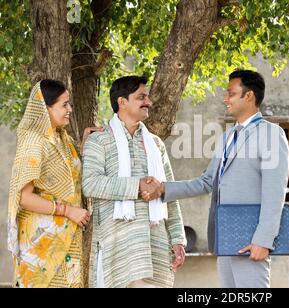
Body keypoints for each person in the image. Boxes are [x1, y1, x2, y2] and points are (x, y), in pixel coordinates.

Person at [146, 70, 289, 288]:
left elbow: (275, 193)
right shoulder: (228, 136)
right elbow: (207, 181)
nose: (225, 99)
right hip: (225, 237)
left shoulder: (270, 134)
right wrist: (163, 188)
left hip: (252, 239)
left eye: (231, 94)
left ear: (249, 96)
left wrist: (263, 240)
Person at [82, 76, 186, 288]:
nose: (148, 102)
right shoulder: (99, 140)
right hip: (117, 246)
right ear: (122, 102)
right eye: (141, 97)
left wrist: (177, 239)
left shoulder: (155, 144)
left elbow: (169, 193)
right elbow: (90, 184)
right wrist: (137, 186)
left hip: (154, 246)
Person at [7, 80, 102, 288]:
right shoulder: (34, 142)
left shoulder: (63, 139)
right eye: (64, 105)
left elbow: (70, 178)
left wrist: (85, 146)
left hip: (68, 239)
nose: (70, 109)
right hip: (43, 242)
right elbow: (24, 197)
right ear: (45, 108)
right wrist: (67, 211)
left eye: (69, 104)